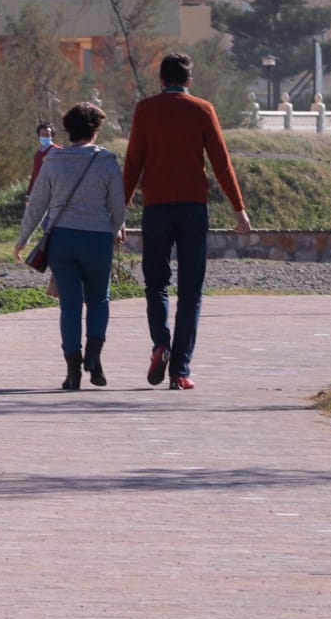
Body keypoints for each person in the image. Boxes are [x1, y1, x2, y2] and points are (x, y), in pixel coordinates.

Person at [121, 53, 253, 391]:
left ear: (161, 80)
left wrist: (118, 213)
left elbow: (133, 163)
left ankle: (160, 342)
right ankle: (180, 370)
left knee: (156, 284)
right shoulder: (203, 109)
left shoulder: (145, 110)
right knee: (191, 292)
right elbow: (222, 163)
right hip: (194, 208)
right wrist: (239, 208)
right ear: (189, 81)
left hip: (156, 209)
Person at [16, 101, 127, 391]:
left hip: (62, 240)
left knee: (70, 306)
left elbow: (37, 203)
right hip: (98, 239)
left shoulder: (54, 161)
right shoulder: (107, 161)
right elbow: (118, 207)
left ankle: (72, 372)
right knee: (99, 299)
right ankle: (93, 356)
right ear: (96, 129)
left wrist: (23, 238)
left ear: (67, 130)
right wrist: (113, 230)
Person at [29, 122, 57, 195]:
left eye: (47, 134)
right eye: (42, 134)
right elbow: (34, 173)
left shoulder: (57, 151)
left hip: (52, 192)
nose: (45, 136)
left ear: (52, 136)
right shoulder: (38, 153)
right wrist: (29, 192)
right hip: (38, 191)